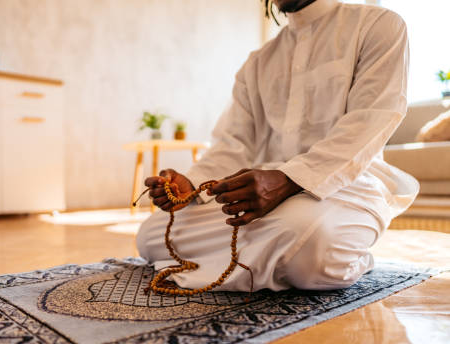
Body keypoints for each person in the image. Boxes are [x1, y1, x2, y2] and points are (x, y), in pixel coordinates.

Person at [136, 0, 419, 292]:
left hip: (346, 187)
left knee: (309, 239)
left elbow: (371, 120)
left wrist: (289, 179)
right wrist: (191, 183)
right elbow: (233, 144)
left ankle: (331, 254)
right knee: (151, 235)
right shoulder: (258, 62)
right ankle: (281, 257)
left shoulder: (378, 25)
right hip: (260, 198)